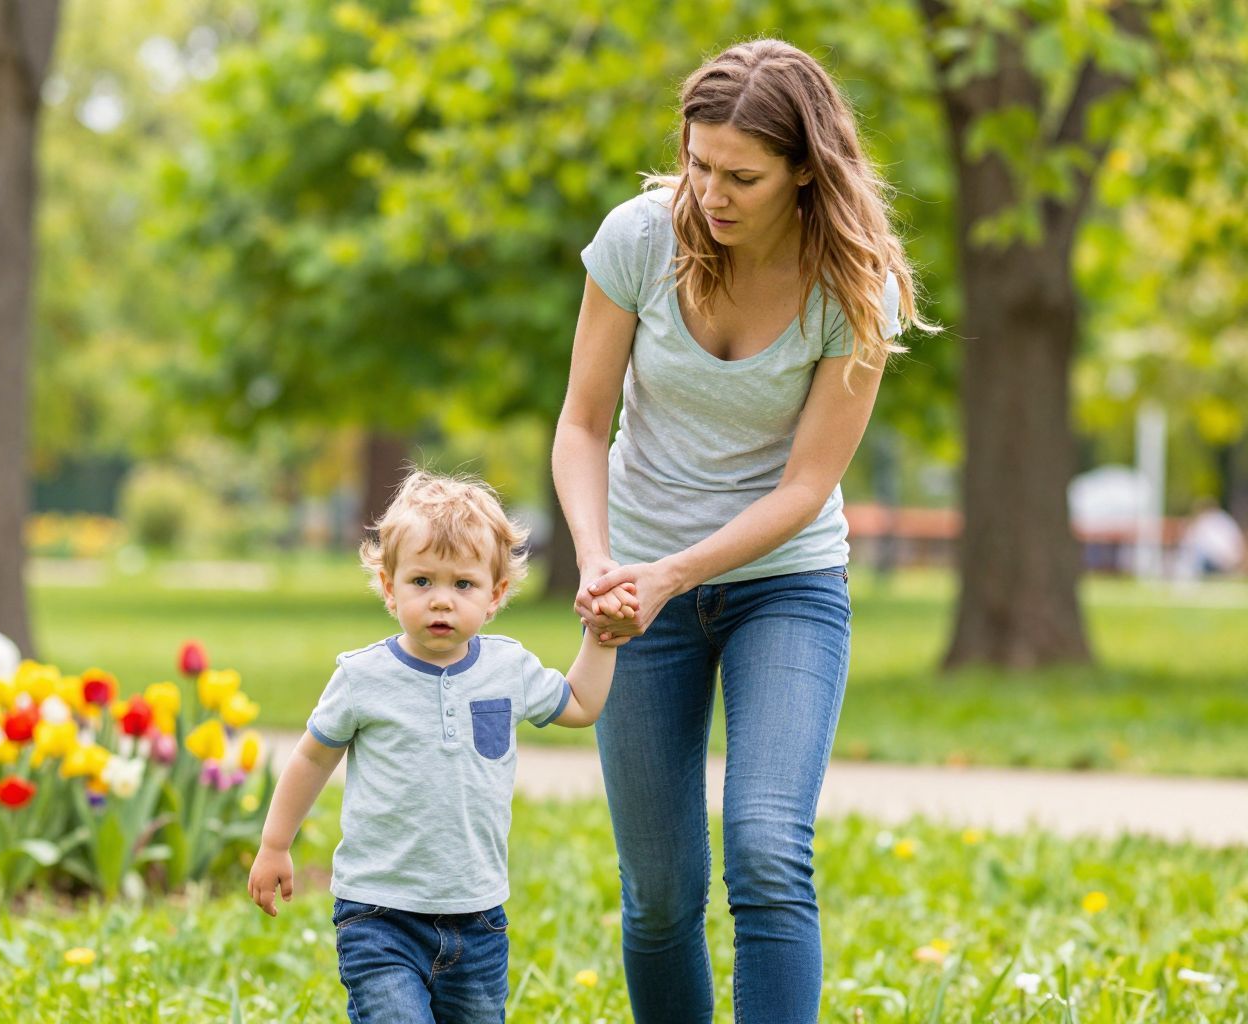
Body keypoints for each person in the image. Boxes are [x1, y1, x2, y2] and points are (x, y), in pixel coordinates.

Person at [552, 38, 931, 1023]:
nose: (710, 192)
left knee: (767, 847)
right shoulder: (639, 240)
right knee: (664, 890)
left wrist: (672, 572)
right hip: (637, 588)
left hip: (787, 584)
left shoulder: (854, 284)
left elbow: (807, 486)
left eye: (742, 175)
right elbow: (583, 424)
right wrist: (599, 561)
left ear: (806, 167)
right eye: (697, 162)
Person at [248, 471, 623, 1022]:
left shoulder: (507, 668)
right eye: (421, 581)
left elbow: (580, 704)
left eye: (463, 585)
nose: (441, 601)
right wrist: (276, 843)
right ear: (388, 585)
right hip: (380, 916)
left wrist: (602, 636)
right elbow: (311, 756)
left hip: (479, 917)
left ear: (495, 595)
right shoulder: (363, 678)